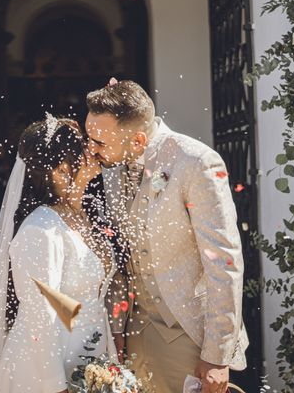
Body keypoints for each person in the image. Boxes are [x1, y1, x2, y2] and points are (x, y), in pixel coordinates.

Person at [85, 80, 249, 393]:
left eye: (99, 142)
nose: (91, 149)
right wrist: (117, 329)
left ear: (138, 140)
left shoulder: (196, 162)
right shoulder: (112, 166)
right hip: (135, 332)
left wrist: (216, 356)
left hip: (188, 334)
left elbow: (224, 262)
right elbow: (123, 256)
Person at [0, 115, 118, 393]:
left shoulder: (83, 215)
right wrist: (56, 386)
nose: (92, 150)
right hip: (45, 370)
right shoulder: (40, 229)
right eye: (82, 148)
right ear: (60, 170)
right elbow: (39, 316)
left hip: (89, 356)